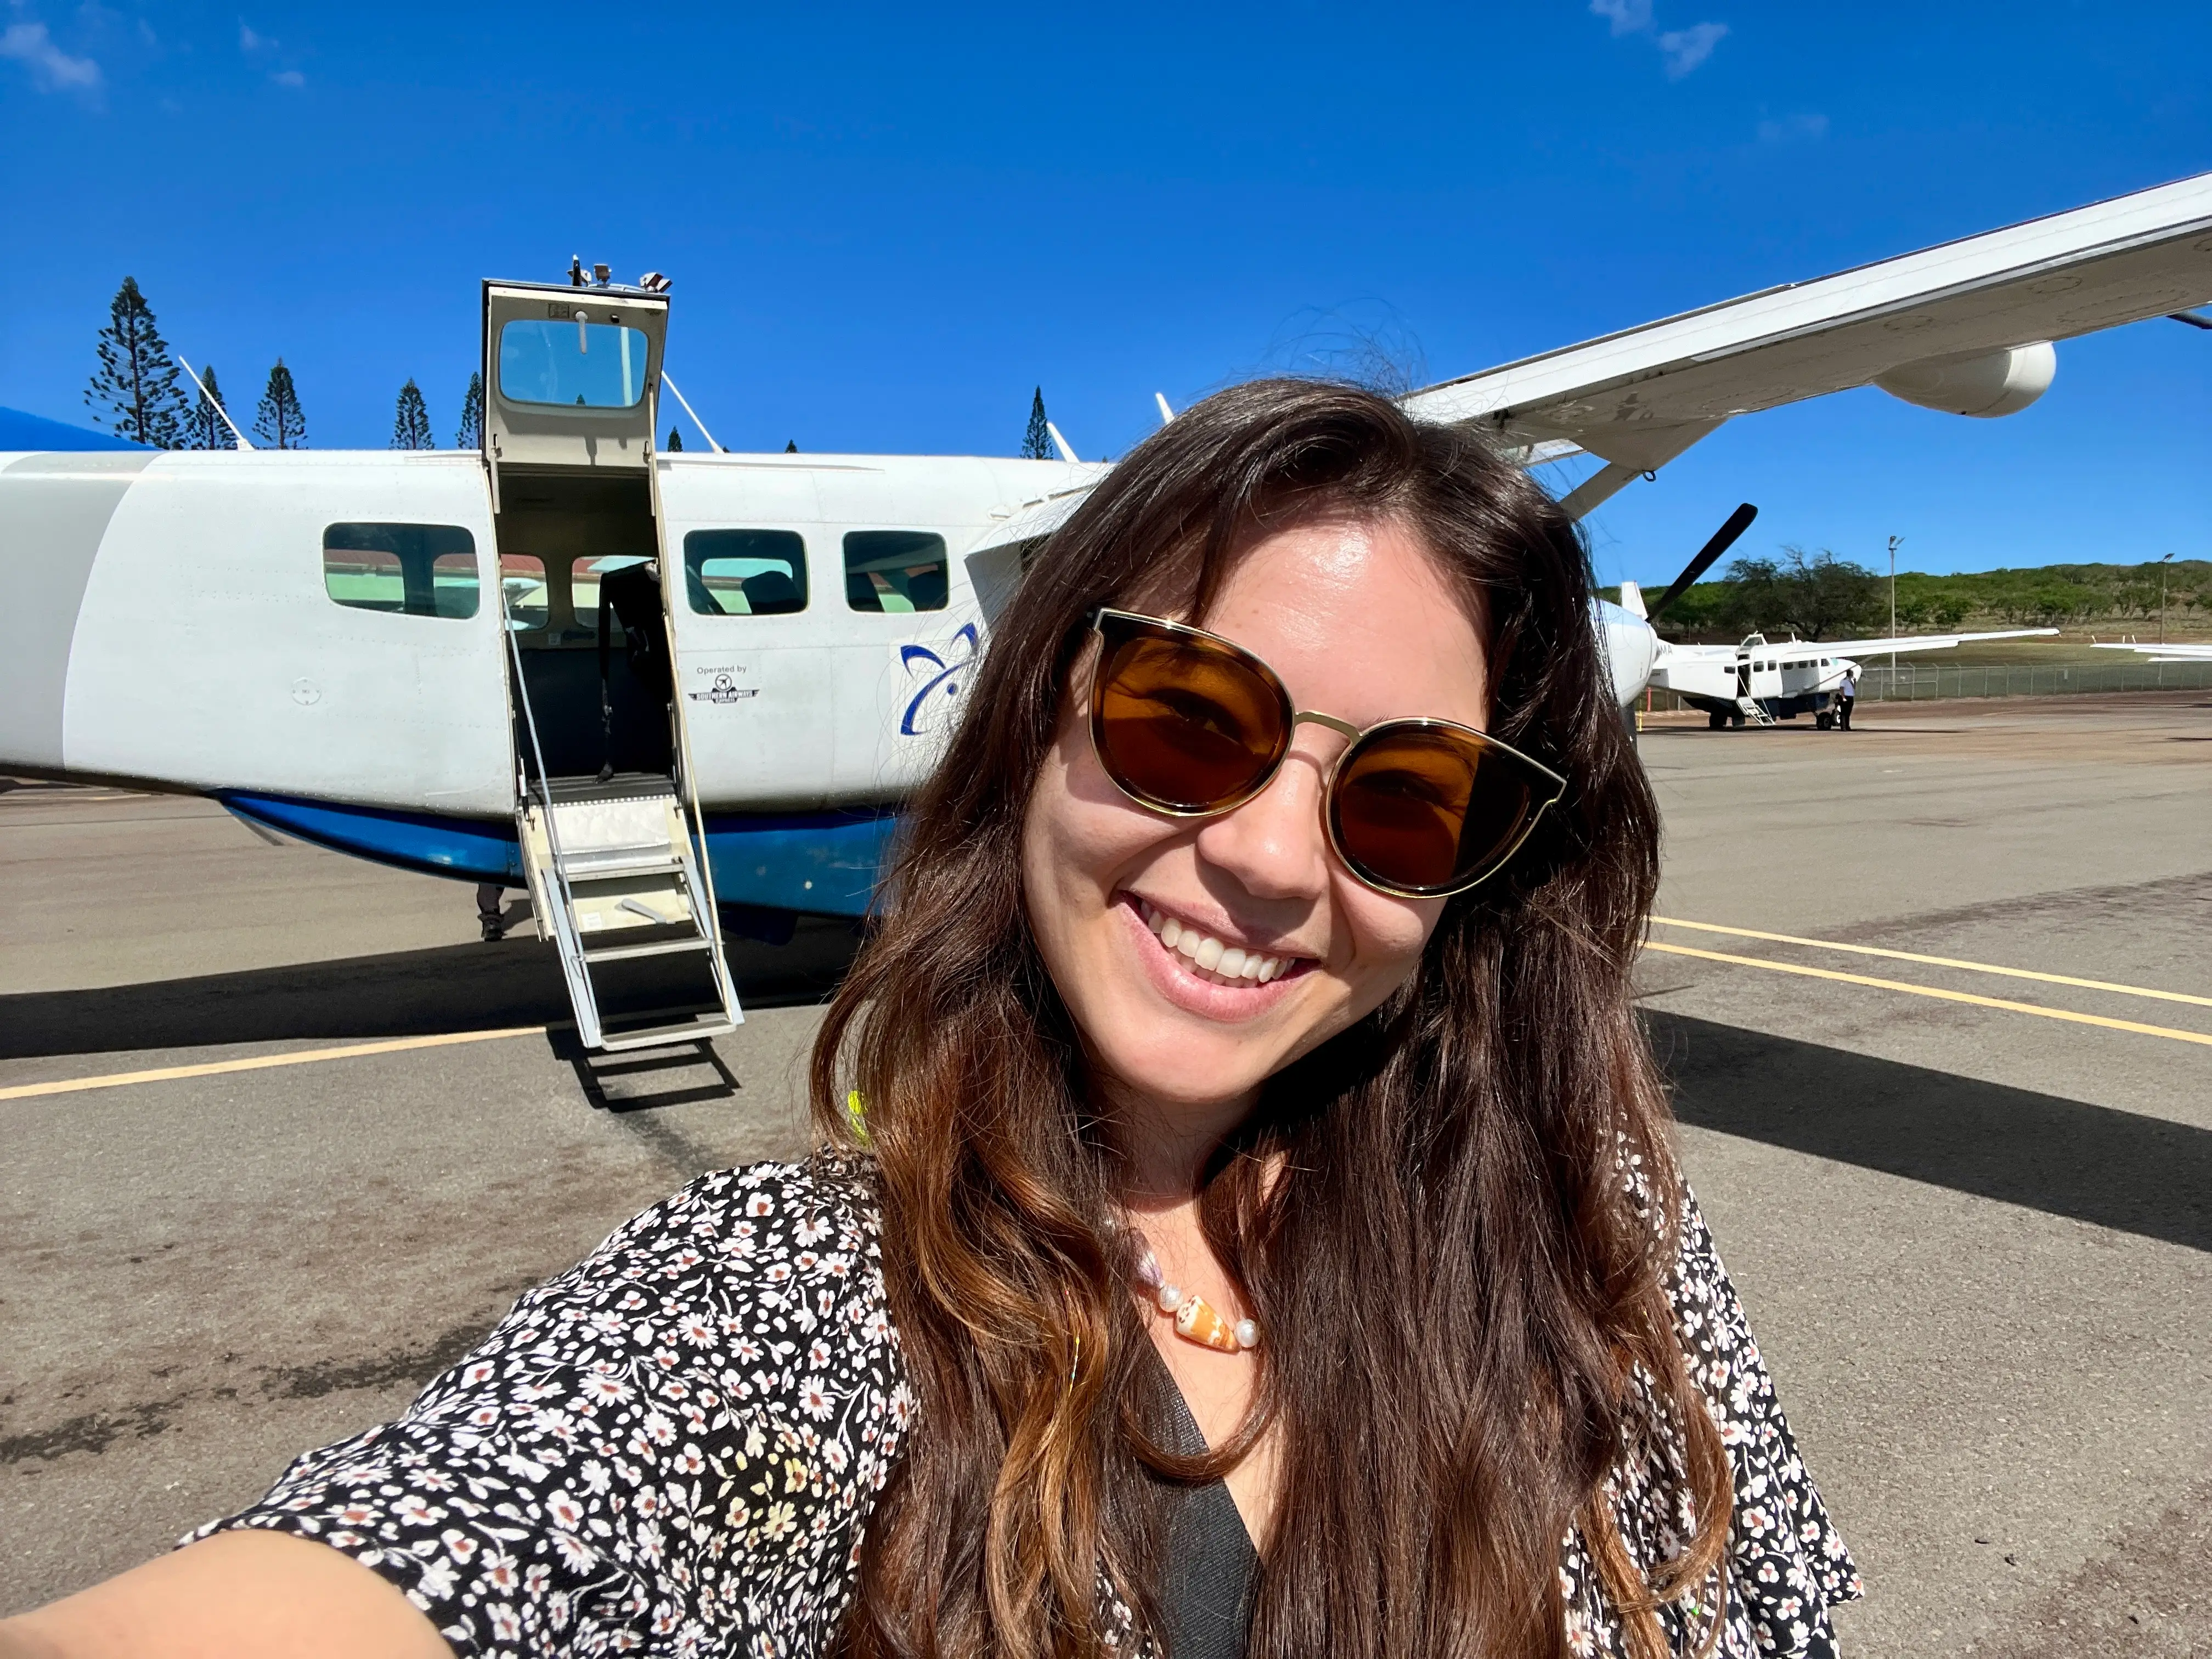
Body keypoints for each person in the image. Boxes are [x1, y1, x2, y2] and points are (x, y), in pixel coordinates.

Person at [2, 382, 1860, 1658]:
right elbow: (458, 1538)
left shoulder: (1591, 1220)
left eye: (1412, 799)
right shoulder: (784, 1302)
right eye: (1187, 715)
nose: (1272, 861)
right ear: (1034, 704)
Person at [1835, 663, 1858, 731]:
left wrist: (1855, 683)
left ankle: (1847, 726)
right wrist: (1843, 697)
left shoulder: (1851, 681)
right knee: (1843, 713)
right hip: (1845, 697)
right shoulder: (1844, 681)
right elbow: (1842, 689)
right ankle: (1843, 727)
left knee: (1848, 713)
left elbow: (1854, 688)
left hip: (1850, 697)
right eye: (1852, 674)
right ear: (1849, 674)